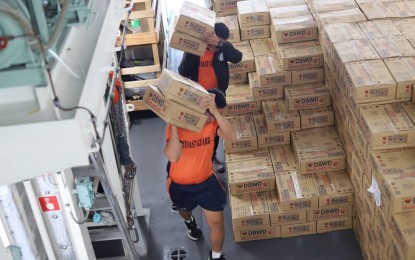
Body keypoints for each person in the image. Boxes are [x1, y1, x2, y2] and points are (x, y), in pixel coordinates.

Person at [164, 89, 237, 260]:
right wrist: (174, 122)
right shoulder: (177, 127)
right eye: (210, 115)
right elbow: (173, 156)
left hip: (207, 182)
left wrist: (216, 112)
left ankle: (217, 256)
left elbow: (232, 136)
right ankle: (189, 222)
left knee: (217, 223)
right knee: (185, 211)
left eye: (215, 114)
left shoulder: (212, 124)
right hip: (180, 184)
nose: (212, 118)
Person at [178, 22, 243, 173]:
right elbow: (182, 72)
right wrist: (190, 51)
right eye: (216, 42)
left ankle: (211, 157)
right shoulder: (196, 51)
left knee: (215, 130)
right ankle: (197, 159)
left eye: (221, 42)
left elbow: (237, 57)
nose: (217, 46)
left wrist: (220, 44)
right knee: (196, 129)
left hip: (216, 97)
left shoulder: (222, 48)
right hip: (197, 97)